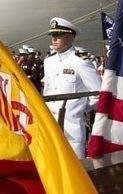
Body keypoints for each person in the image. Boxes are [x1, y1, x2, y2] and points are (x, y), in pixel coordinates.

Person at [42, 17, 101, 159]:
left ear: (69, 37)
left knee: (76, 164)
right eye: (52, 36)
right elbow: (48, 90)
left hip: (72, 124)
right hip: (51, 121)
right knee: (53, 161)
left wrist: (79, 109)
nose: (54, 39)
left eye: (58, 36)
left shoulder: (80, 62)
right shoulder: (49, 62)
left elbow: (98, 92)